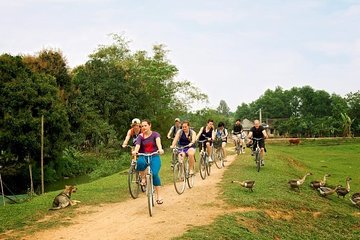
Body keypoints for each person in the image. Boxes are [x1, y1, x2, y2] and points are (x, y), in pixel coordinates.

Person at [132, 119, 164, 204]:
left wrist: (160, 149)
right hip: (144, 155)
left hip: (154, 155)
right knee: (140, 163)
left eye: (145, 125)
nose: (143, 127)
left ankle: (159, 196)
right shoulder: (140, 136)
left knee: (155, 174)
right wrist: (135, 151)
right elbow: (138, 145)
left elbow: (158, 143)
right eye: (142, 126)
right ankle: (143, 178)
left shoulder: (155, 134)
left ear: (150, 125)